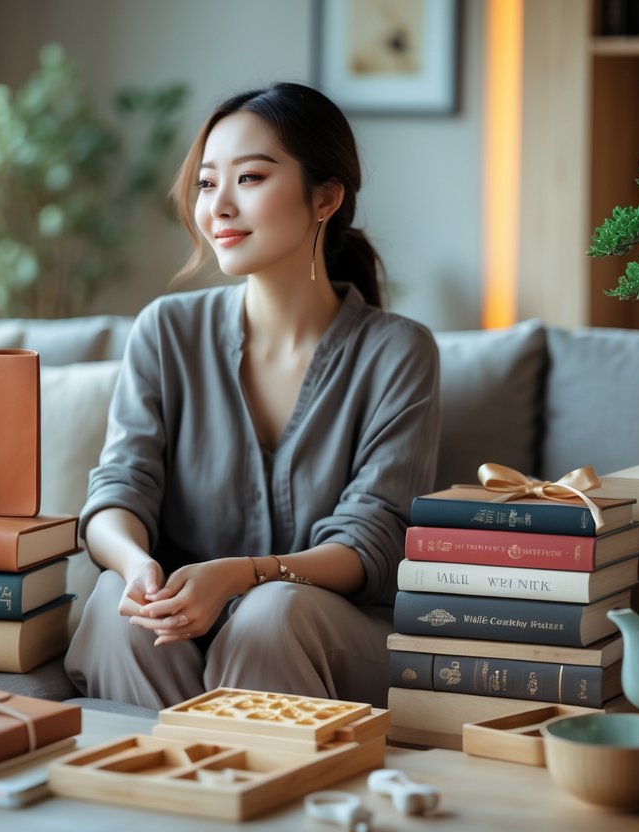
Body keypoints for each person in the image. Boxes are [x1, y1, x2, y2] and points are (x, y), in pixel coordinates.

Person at [64, 82, 440, 709]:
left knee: (271, 614)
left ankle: (266, 789)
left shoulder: (398, 351)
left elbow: (372, 541)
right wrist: (136, 568)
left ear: (325, 196)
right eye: (209, 184)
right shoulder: (164, 331)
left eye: (251, 178)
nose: (219, 207)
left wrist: (244, 575)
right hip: (175, 633)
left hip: (327, 637)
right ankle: (177, 792)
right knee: (114, 607)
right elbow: (117, 492)